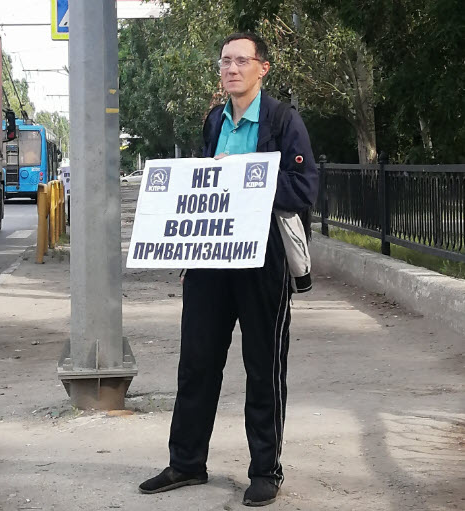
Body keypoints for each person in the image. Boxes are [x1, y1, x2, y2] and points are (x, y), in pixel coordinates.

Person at [139, 32, 318, 507]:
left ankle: (265, 471)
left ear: (262, 68)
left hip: (262, 262)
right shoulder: (214, 119)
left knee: (264, 368)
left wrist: (244, 175)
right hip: (210, 261)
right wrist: (186, 250)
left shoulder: (282, 120)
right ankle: (186, 463)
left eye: (241, 61)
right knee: (196, 364)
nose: (232, 69)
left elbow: (304, 188)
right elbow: (203, 192)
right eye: (225, 62)